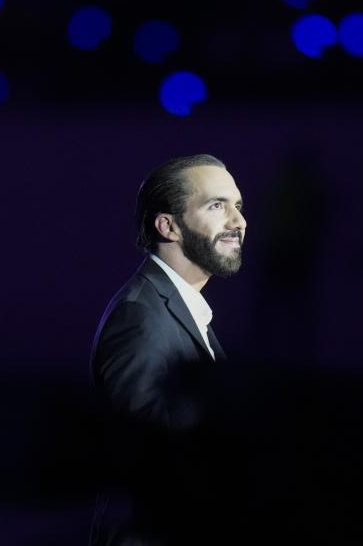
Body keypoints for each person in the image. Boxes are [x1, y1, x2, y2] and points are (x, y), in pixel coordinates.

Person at [89, 154, 247, 545]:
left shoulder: (175, 311)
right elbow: (148, 465)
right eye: (217, 206)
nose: (238, 222)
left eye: (238, 207)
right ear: (168, 226)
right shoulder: (140, 320)